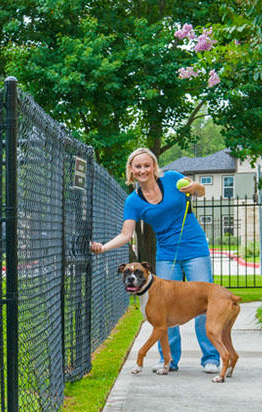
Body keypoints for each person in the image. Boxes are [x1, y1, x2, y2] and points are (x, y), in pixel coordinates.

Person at [89, 147, 221, 374]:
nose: (143, 170)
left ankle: (211, 358)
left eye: (146, 165)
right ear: (131, 170)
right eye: (137, 166)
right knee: (163, 308)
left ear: (154, 166)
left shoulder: (172, 179)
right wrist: (103, 248)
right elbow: (125, 234)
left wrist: (196, 187)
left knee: (204, 306)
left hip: (195, 249)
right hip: (167, 254)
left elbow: (200, 191)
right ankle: (168, 360)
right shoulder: (133, 201)